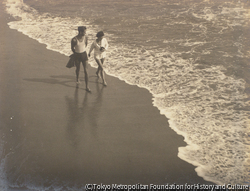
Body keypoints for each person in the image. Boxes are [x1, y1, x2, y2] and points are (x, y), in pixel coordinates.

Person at [71, 26, 91, 92]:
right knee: (78, 69)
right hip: (77, 55)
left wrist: (82, 50)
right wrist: (76, 53)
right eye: (84, 32)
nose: (85, 33)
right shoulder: (74, 39)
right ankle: (77, 78)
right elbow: (72, 48)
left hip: (84, 54)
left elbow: (86, 45)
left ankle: (87, 86)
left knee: (86, 70)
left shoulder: (86, 38)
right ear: (80, 32)